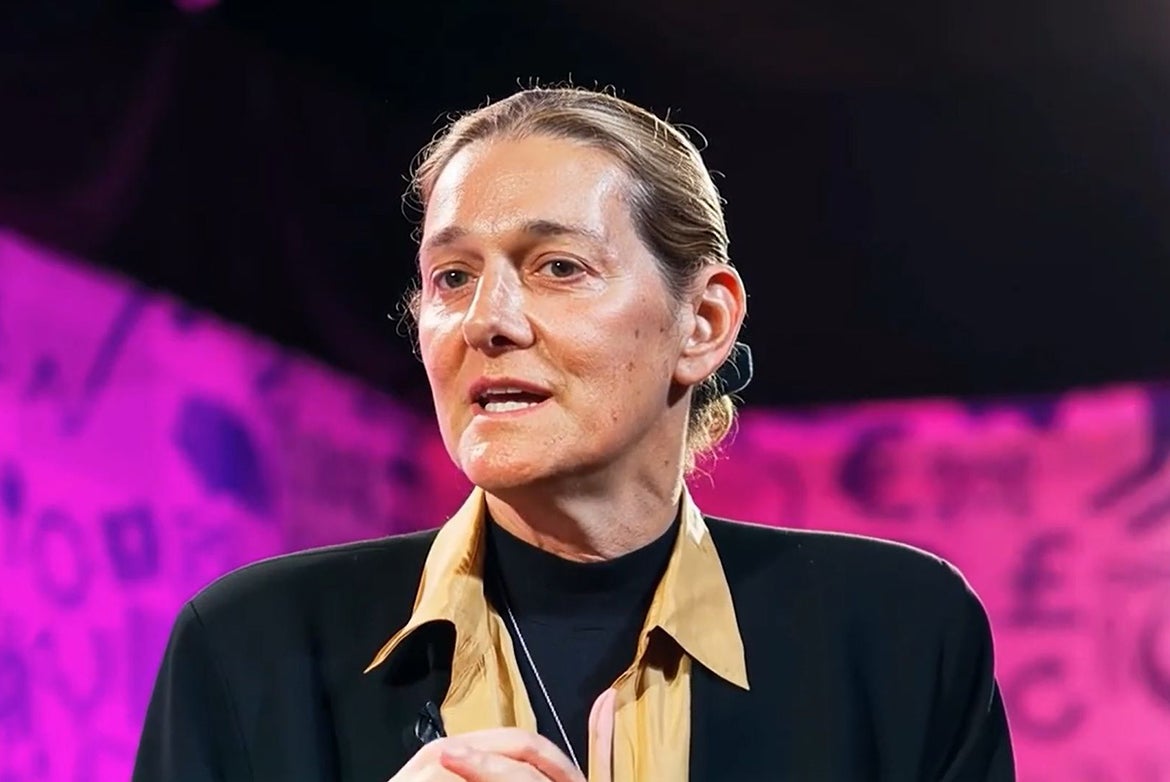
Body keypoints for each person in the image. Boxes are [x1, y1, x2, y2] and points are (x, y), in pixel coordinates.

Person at [133, 86, 1015, 781]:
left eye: (558, 267)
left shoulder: (898, 635)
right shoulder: (248, 648)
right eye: (451, 276)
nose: (489, 320)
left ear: (703, 321)